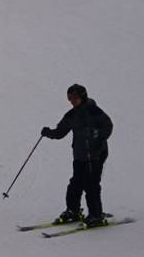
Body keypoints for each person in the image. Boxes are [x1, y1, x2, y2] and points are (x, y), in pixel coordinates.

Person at [41, 83, 112, 227]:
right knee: (75, 183)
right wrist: (48, 132)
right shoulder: (72, 115)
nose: (72, 101)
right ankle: (73, 211)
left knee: (91, 184)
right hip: (79, 155)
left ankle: (96, 215)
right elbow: (60, 132)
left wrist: (97, 134)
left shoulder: (94, 111)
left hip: (96, 154)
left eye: (74, 98)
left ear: (82, 96)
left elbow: (108, 126)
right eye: (69, 98)